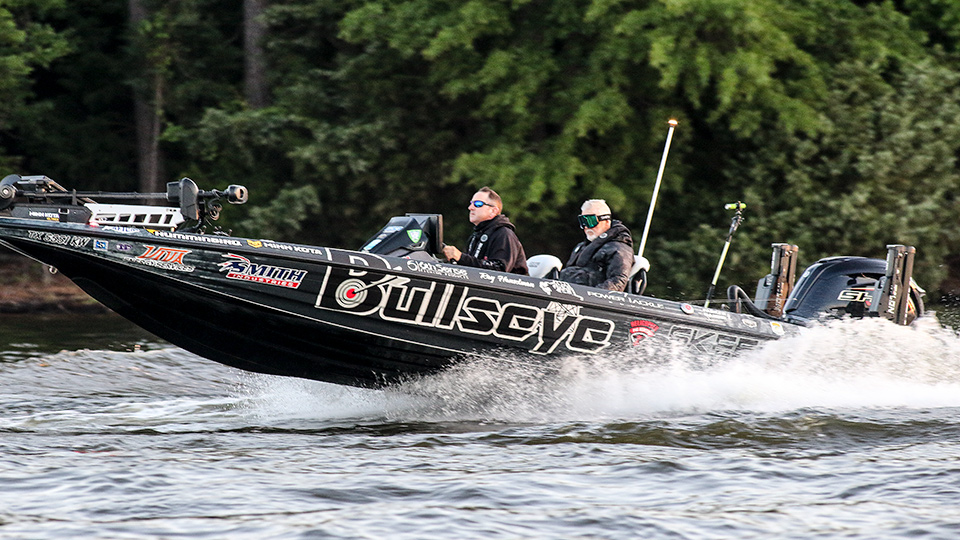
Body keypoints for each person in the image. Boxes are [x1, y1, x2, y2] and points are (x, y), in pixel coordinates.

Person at [442, 187, 528, 275]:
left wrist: (461, 257)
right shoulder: (475, 236)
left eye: (478, 204)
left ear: (493, 211)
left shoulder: (504, 234)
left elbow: (500, 271)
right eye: (471, 203)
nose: (470, 207)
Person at [558, 199, 634, 291]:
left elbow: (618, 282)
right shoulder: (581, 247)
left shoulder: (619, 249)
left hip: (591, 297)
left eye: (590, 221)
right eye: (583, 221)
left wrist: (589, 294)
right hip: (568, 293)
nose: (586, 227)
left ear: (606, 221)